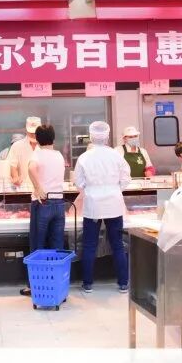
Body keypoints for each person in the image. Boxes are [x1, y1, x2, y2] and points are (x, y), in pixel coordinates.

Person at [75, 121, 131, 294]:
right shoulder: (116, 155)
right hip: (114, 204)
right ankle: (123, 283)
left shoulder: (85, 157)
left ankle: (88, 284)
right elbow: (126, 179)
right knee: (117, 244)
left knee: (89, 245)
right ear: (107, 137)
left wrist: (92, 190)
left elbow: (78, 183)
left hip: (93, 205)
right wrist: (114, 190)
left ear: (91, 137)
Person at [19, 124, 67, 297]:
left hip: (43, 203)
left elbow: (31, 168)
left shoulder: (37, 153)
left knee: (37, 245)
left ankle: (35, 286)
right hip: (59, 203)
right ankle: (56, 285)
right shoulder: (59, 155)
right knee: (57, 246)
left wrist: (38, 187)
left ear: (37, 140)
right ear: (53, 138)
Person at [8, 116, 42, 188]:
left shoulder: (45, 147)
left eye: (36, 132)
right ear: (26, 130)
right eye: (31, 132)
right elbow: (13, 166)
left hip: (42, 188)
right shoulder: (17, 146)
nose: (33, 135)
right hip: (24, 188)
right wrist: (16, 177)